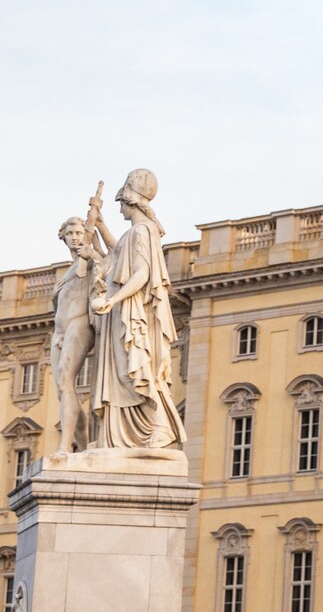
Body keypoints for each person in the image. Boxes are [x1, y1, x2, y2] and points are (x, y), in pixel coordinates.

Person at [87, 169, 186, 450]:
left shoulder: (141, 232)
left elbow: (142, 273)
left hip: (133, 313)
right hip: (124, 311)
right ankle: (118, 437)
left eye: (121, 204)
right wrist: (101, 224)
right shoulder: (136, 234)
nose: (119, 209)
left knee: (135, 372)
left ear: (132, 201)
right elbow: (118, 251)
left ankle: (160, 428)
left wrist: (113, 300)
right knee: (125, 374)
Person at [48, 208, 99, 456]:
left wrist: (95, 255)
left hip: (80, 325)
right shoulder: (70, 269)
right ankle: (83, 443)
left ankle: (64, 447)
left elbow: (112, 265)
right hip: (60, 332)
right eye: (70, 233)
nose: (75, 237)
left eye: (79, 232)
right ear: (63, 237)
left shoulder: (91, 259)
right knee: (62, 390)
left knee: (67, 382)